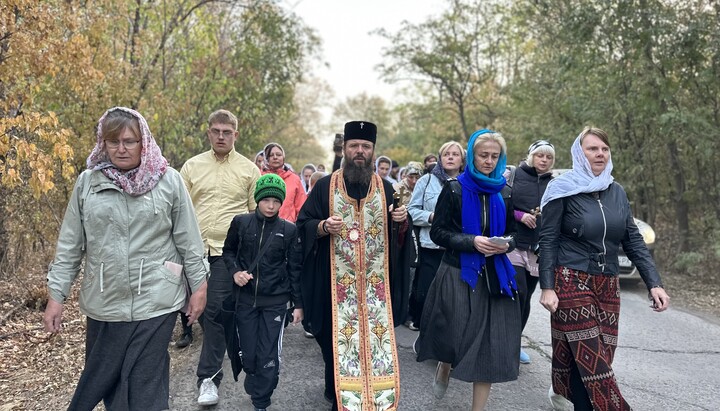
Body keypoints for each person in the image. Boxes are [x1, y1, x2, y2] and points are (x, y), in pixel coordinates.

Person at [43, 107, 208, 411]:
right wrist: (57, 296)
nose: (121, 149)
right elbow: (70, 244)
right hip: (106, 301)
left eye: (129, 141)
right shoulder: (87, 183)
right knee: (112, 386)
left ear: (143, 142)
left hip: (157, 299)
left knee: (147, 385)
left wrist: (199, 286)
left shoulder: (168, 181)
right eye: (113, 141)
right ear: (102, 144)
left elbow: (189, 239)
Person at [538, 127, 670, 411]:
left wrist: (654, 283)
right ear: (579, 153)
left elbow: (633, 240)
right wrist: (547, 286)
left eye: (604, 149)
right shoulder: (561, 188)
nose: (599, 154)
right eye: (592, 148)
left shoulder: (616, 191)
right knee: (594, 363)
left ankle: (568, 392)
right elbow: (548, 239)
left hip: (607, 283)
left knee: (598, 356)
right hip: (570, 278)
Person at [297, 120, 414, 411]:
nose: (360, 151)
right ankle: (337, 392)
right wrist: (323, 226)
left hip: (375, 290)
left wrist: (401, 223)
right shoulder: (325, 186)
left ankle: (371, 400)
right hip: (334, 286)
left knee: (373, 347)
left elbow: (400, 237)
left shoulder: (387, 189)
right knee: (333, 345)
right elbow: (303, 224)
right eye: (354, 146)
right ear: (345, 149)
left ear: (373, 151)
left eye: (365, 146)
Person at [415, 129, 520, 411]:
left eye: (494, 156)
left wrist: (505, 244)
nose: (488, 161)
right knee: (452, 334)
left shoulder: (506, 193)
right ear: (471, 156)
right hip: (457, 271)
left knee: (488, 346)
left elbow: (514, 234)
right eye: (483, 155)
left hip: (494, 277)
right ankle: (445, 366)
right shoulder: (454, 189)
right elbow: (438, 232)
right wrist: (471, 241)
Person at [180, 109, 261, 406]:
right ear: (209, 132)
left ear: (236, 135)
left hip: (227, 255)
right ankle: (222, 343)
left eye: (227, 132)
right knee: (196, 313)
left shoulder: (249, 170)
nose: (221, 136)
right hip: (192, 252)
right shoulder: (191, 167)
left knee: (213, 312)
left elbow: (256, 216)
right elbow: (178, 209)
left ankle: (208, 380)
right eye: (216, 131)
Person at [222, 174, 303, 411]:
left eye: (276, 201)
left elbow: (295, 268)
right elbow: (227, 253)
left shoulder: (288, 230)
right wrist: (235, 272)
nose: (271, 205)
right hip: (245, 300)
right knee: (249, 355)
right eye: (266, 200)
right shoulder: (240, 222)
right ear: (257, 199)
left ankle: (261, 401)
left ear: (281, 203)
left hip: (276, 303)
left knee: (268, 357)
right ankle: (253, 374)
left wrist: (298, 304)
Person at [407, 141, 465, 331]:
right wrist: (432, 217)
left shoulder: (467, 183)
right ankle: (425, 334)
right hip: (430, 246)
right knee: (425, 294)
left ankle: (443, 337)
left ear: (462, 160)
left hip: (457, 248)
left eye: (455, 154)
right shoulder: (426, 181)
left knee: (451, 297)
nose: (450, 157)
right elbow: (412, 211)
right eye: (446, 154)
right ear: (440, 158)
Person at [507, 140, 555, 365]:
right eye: (540, 156)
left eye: (548, 157)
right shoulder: (514, 175)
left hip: (538, 248)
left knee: (526, 298)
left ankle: (514, 344)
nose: (544, 160)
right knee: (517, 291)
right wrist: (519, 216)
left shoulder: (555, 183)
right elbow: (503, 204)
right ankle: (502, 341)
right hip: (515, 243)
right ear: (531, 156)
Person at [263, 142, 306, 222]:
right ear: (266, 158)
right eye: (271, 155)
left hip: (287, 227)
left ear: (283, 157)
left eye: (278, 154)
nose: (275, 157)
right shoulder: (259, 177)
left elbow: (302, 207)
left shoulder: (295, 179)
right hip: (261, 226)